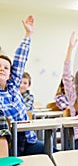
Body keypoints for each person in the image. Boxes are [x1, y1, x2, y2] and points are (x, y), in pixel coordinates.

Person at [0, 15, 55, 156]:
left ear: (10, 75)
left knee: (55, 153)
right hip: (9, 146)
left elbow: (20, 61)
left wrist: (28, 34)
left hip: (29, 142)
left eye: (6, 68)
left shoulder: (12, 87)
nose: (2, 69)